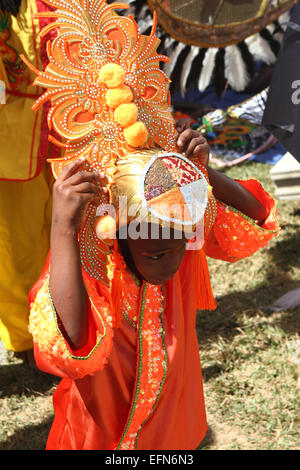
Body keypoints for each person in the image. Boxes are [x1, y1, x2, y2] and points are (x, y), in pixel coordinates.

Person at [27, 0, 279, 449]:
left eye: (184, 243)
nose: (176, 259)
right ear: (116, 234)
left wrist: (206, 172)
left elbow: (257, 223)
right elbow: (72, 346)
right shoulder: (93, 266)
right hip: (100, 440)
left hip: (176, 431)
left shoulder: (174, 222)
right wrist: (63, 231)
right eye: (159, 251)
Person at [0, 0, 60, 367]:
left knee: (73, 240)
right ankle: (23, 341)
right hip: (11, 146)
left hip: (68, 132)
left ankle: (70, 328)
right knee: (16, 249)